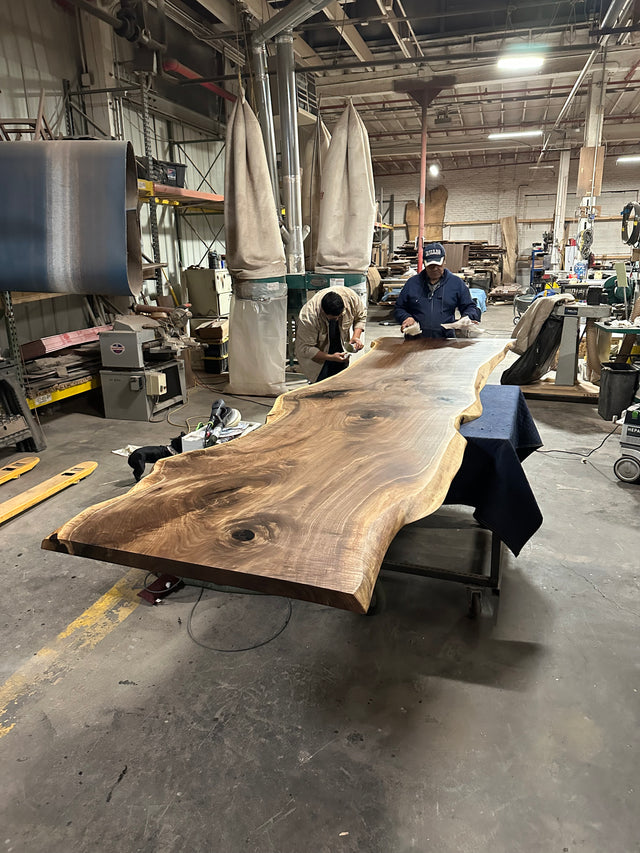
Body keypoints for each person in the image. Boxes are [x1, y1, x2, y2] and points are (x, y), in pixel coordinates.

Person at [395, 242, 481, 338]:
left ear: (444, 260)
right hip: (416, 341)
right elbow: (399, 308)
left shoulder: (456, 283)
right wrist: (406, 318)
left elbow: (470, 307)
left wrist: (468, 317)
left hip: (445, 341)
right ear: (424, 263)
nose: (435, 269)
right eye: (431, 266)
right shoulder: (412, 283)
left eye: (438, 264)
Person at [295, 286, 367, 382]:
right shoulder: (308, 317)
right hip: (319, 355)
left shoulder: (350, 298)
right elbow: (305, 348)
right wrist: (330, 357)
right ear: (323, 311)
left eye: (339, 316)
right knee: (322, 383)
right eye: (333, 318)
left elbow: (361, 316)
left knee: (341, 378)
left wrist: (356, 337)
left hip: (338, 343)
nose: (336, 319)